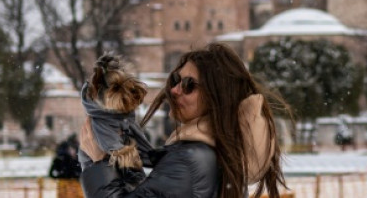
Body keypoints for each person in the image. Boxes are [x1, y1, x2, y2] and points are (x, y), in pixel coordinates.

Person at [79, 43, 288, 198]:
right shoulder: (218, 153)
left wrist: (99, 164)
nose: (174, 90)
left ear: (216, 96)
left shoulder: (190, 160)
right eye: (176, 80)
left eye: (189, 85)